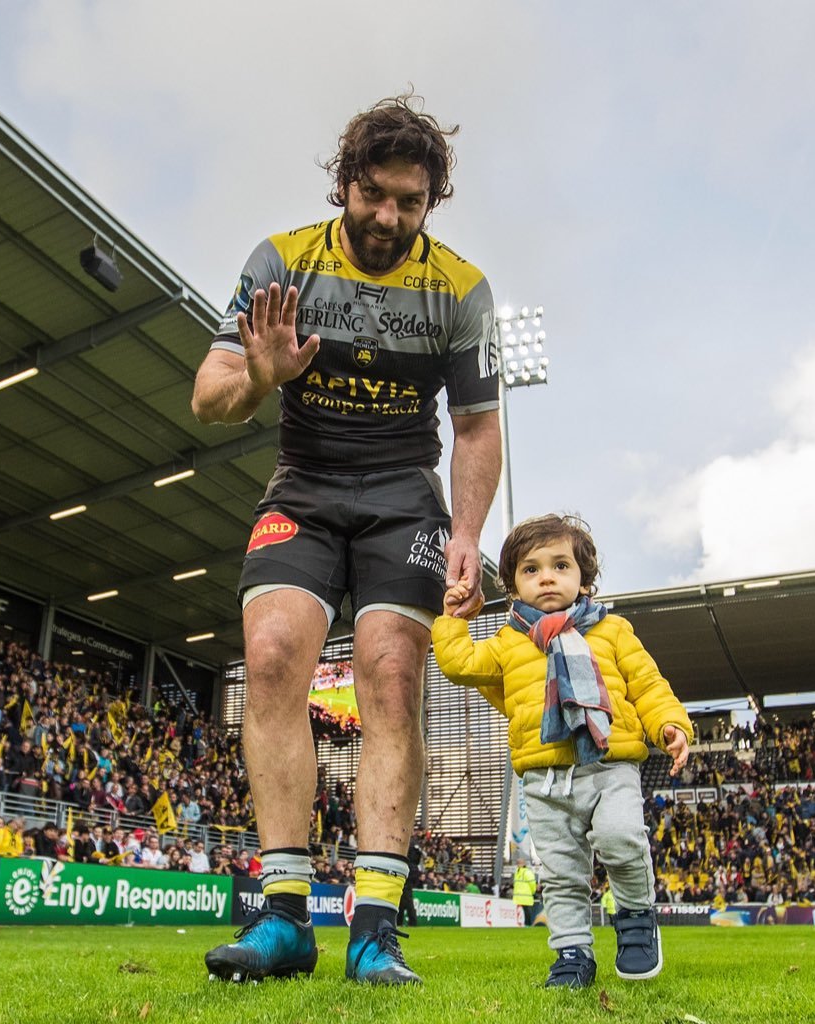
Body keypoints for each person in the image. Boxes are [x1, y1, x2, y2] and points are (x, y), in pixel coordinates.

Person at [193, 92, 501, 988]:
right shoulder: (281, 261)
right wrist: (261, 371)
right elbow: (208, 400)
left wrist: (470, 534)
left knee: (392, 679)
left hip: (406, 497)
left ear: (430, 202)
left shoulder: (461, 289)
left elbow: (477, 428)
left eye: (410, 202)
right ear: (345, 185)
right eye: (375, 196)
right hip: (305, 486)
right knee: (275, 653)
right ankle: (283, 917)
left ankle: (374, 929)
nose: (389, 218)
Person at [432, 514, 692, 989]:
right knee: (561, 872)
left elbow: (648, 685)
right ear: (512, 584)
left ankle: (635, 917)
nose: (546, 576)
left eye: (559, 565)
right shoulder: (508, 641)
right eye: (531, 569)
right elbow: (462, 665)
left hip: (610, 762)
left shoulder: (612, 631)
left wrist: (670, 724)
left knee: (619, 838)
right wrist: (453, 621)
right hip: (544, 776)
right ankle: (572, 953)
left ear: (583, 578)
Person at [512, 856, 537, 926]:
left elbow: (532, 884)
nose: (518, 864)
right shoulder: (519, 872)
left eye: (519, 863)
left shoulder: (525, 872)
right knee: (526, 911)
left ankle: (528, 924)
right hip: (523, 896)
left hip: (525, 896)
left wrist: (532, 892)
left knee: (527, 912)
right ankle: (527, 924)